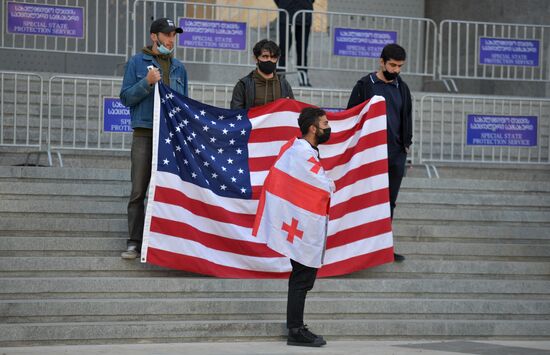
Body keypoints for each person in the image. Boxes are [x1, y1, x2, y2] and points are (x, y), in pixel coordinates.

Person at [253, 107, 333, 347]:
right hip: (300, 225)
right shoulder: (300, 152)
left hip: (302, 224)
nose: (328, 127)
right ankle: (295, 330)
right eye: (325, 123)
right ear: (313, 128)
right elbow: (320, 185)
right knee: (302, 277)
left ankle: (297, 326)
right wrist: (329, 185)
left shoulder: (304, 150)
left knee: (304, 277)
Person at [119, 18, 188, 260]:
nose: (171, 39)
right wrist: (146, 83)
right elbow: (126, 97)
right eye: (167, 34)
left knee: (169, 190)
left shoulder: (179, 68)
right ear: (154, 36)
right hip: (145, 134)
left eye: (174, 35)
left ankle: (163, 243)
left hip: (170, 137)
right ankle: (133, 242)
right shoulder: (137, 62)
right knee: (139, 190)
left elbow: (184, 105)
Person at [346, 43, 412, 263]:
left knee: (389, 202)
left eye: (400, 66)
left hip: (395, 155)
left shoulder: (402, 87)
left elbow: (406, 117)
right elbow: (351, 118)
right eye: (392, 65)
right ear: (381, 61)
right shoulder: (365, 85)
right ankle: (357, 249)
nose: (396, 70)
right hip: (370, 155)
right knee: (365, 200)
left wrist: (406, 145)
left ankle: (382, 248)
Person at [230, 39, 294, 109]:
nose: (269, 60)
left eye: (273, 57)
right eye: (265, 56)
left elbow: (292, 110)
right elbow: (236, 113)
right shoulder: (243, 85)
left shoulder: (284, 84)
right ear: (256, 58)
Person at [275, 0, 314, 87]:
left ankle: (303, 77)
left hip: (304, 14)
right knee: (283, 48)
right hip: (286, 13)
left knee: (302, 49)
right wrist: (284, 4)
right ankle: (280, 77)